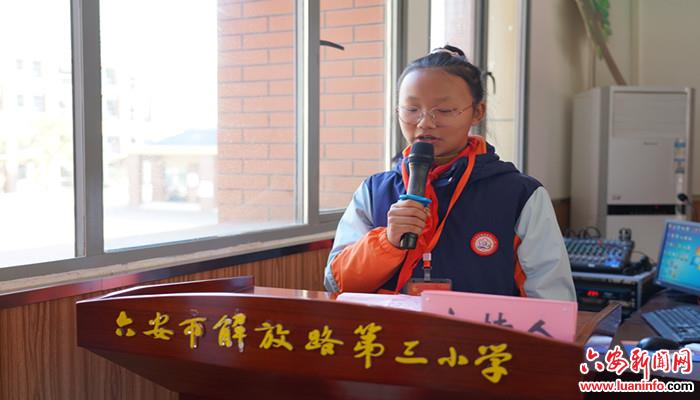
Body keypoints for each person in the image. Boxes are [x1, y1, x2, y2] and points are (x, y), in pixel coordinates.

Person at [324, 45, 576, 301]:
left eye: (444, 111)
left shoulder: (521, 195)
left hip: (484, 329)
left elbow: (553, 301)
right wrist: (387, 242)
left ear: (477, 112)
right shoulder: (373, 191)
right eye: (411, 110)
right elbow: (336, 283)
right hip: (390, 328)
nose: (425, 123)